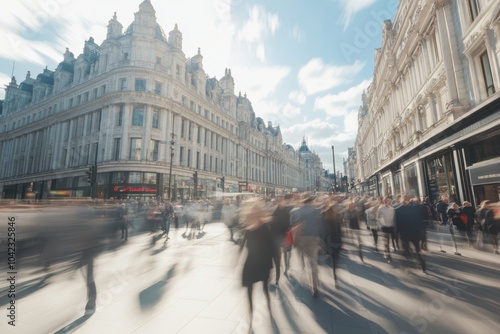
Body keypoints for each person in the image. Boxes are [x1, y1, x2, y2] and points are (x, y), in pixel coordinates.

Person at [239, 198, 274, 325]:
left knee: (265, 288)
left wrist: (271, 265)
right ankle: (251, 314)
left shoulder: (265, 228)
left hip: (263, 262)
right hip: (250, 263)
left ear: (259, 214)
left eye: (256, 213)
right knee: (249, 289)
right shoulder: (247, 230)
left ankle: (269, 305)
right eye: (251, 213)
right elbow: (242, 246)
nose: (253, 215)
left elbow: (271, 247)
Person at [290, 195, 323, 296]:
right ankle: (314, 285)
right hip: (314, 238)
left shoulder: (296, 211)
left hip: (301, 239)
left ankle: (307, 269)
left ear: (303, 202)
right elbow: (321, 225)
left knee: (306, 258)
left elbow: (292, 225)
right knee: (312, 260)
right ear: (311, 202)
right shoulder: (318, 211)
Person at [395, 195, 426, 273]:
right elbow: (419, 221)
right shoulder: (414, 209)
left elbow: (397, 224)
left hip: (405, 233)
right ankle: (421, 265)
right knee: (417, 250)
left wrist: (396, 235)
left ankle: (408, 267)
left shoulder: (398, 210)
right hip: (414, 232)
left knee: (406, 251)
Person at [269, 195, 293, 284]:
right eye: (279, 201)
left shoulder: (288, 210)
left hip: (285, 234)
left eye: (281, 201)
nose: (280, 202)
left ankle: (287, 266)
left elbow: (290, 221)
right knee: (278, 255)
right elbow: (271, 223)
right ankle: (277, 275)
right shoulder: (274, 211)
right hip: (277, 235)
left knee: (286, 252)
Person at [321, 198, 343, 281]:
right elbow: (340, 231)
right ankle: (334, 273)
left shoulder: (324, 219)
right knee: (335, 259)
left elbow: (323, 231)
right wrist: (341, 242)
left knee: (329, 256)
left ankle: (332, 269)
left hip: (328, 242)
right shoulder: (336, 219)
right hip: (336, 241)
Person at [376, 196, 396, 262]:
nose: (386, 201)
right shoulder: (380, 208)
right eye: (385, 200)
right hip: (384, 227)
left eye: (387, 200)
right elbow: (378, 218)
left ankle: (386, 251)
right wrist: (380, 225)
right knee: (386, 241)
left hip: (391, 227)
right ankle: (388, 255)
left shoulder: (392, 209)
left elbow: (394, 218)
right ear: (383, 201)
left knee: (391, 240)